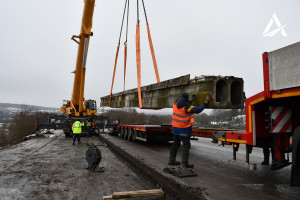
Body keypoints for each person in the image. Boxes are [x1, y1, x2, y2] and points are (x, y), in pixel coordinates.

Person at [169, 93, 210, 168]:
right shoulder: (187, 106)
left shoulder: (175, 104)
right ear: (186, 99)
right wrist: (205, 103)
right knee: (186, 146)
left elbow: (183, 107)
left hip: (175, 129)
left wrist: (189, 102)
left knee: (175, 144)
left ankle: (171, 160)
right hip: (183, 129)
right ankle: (184, 163)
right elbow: (198, 110)